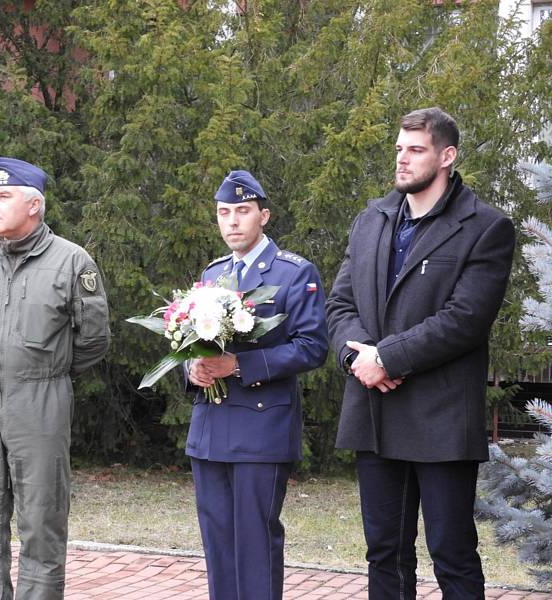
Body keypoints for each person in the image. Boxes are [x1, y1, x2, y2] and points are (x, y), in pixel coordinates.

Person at [326, 107, 516, 599]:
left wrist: (385, 358)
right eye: (399, 149)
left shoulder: (486, 226)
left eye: (415, 149)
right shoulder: (372, 218)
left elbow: (464, 321)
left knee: (451, 553)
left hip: (442, 417)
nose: (402, 160)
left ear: (447, 156)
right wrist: (357, 361)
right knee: (383, 552)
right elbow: (340, 304)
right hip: (375, 409)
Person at [0, 157, 110, 600]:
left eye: (4, 197)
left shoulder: (71, 262)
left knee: (41, 519)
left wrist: (49, 372)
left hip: (41, 401)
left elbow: (94, 339)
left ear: (35, 206)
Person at [186, 170, 328, 600]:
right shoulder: (212, 275)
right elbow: (191, 342)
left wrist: (238, 366)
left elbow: (312, 347)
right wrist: (192, 368)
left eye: (242, 211)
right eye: (224, 212)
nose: (232, 221)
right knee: (218, 547)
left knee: (254, 544)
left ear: (263, 216)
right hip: (210, 430)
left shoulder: (292, 273)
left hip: (261, 430)